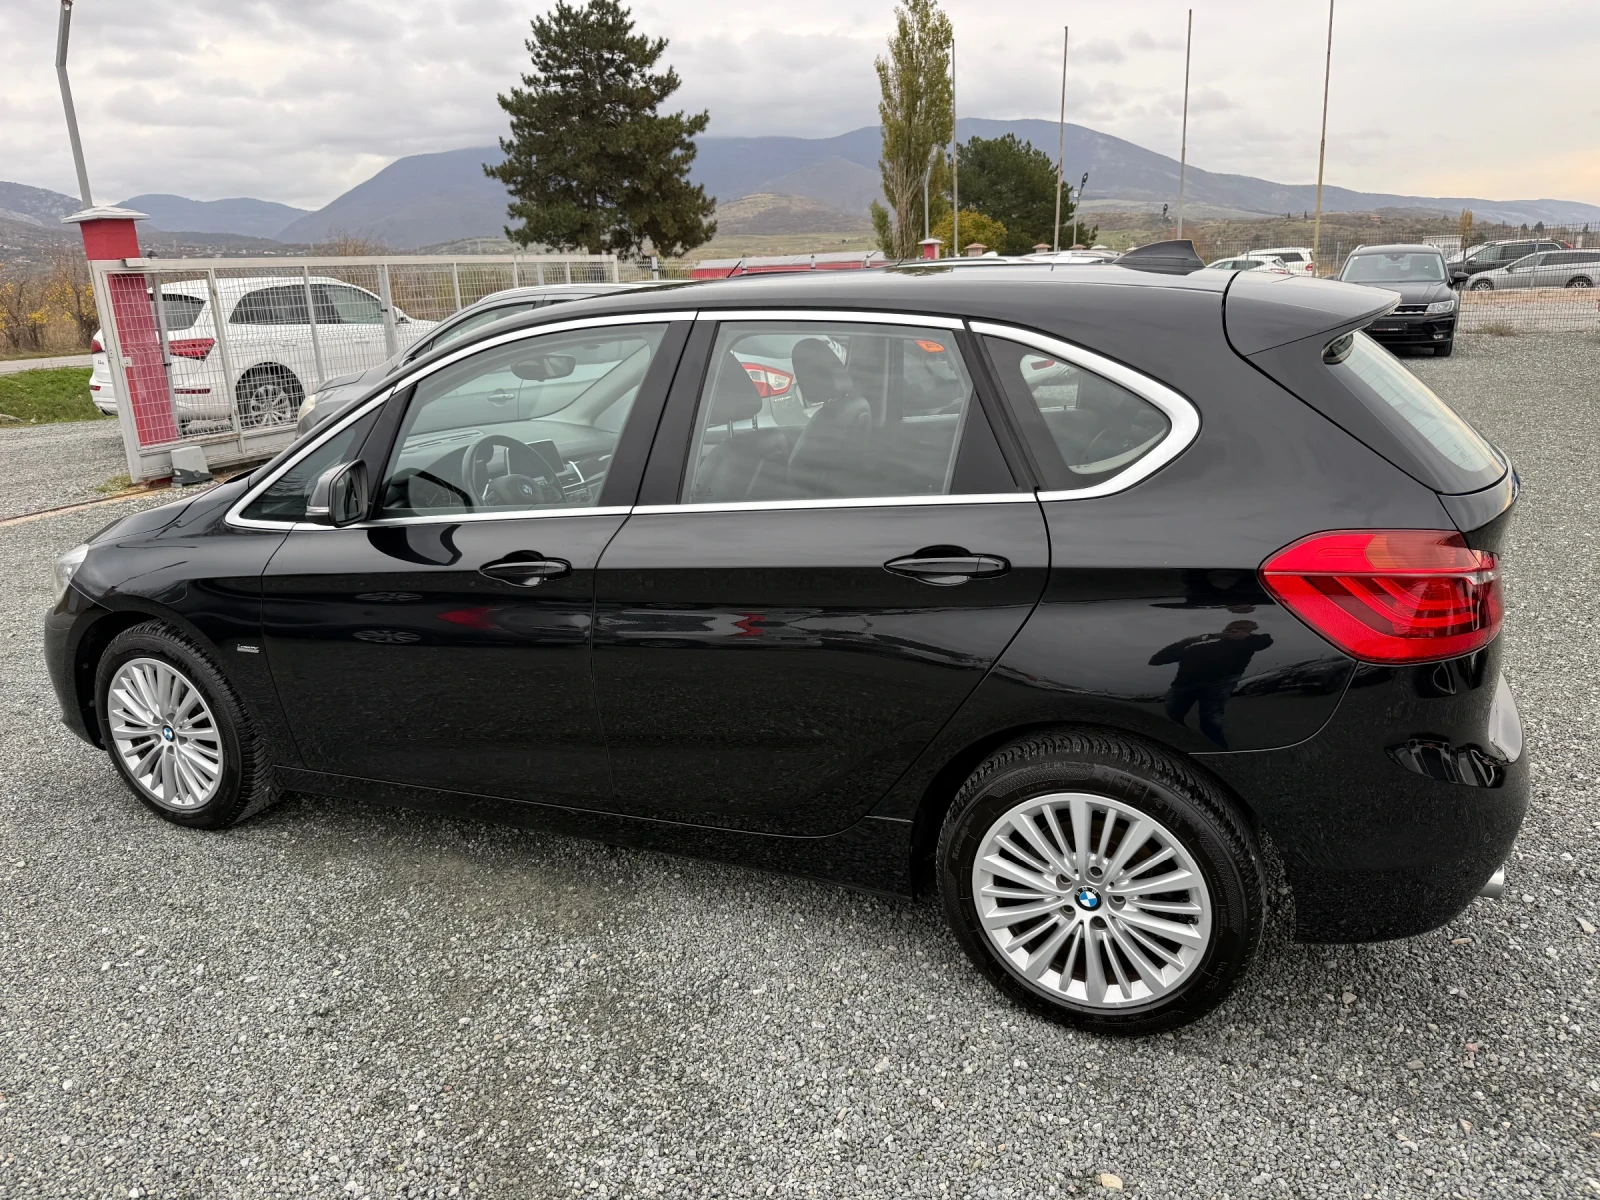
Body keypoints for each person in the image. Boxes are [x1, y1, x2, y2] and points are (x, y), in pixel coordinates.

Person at [1149, 619, 1274, 749]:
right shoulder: (1198, 647)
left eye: (1240, 629)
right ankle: (1179, 742)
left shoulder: (1246, 645)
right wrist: (1185, 642)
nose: (1233, 630)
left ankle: (1219, 750)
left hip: (1218, 685)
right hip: (1182, 685)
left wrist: (1246, 637)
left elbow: (1266, 641)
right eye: (1229, 629)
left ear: (1250, 632)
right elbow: (1156, 660)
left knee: (1210, 721)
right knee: (1171, 715)